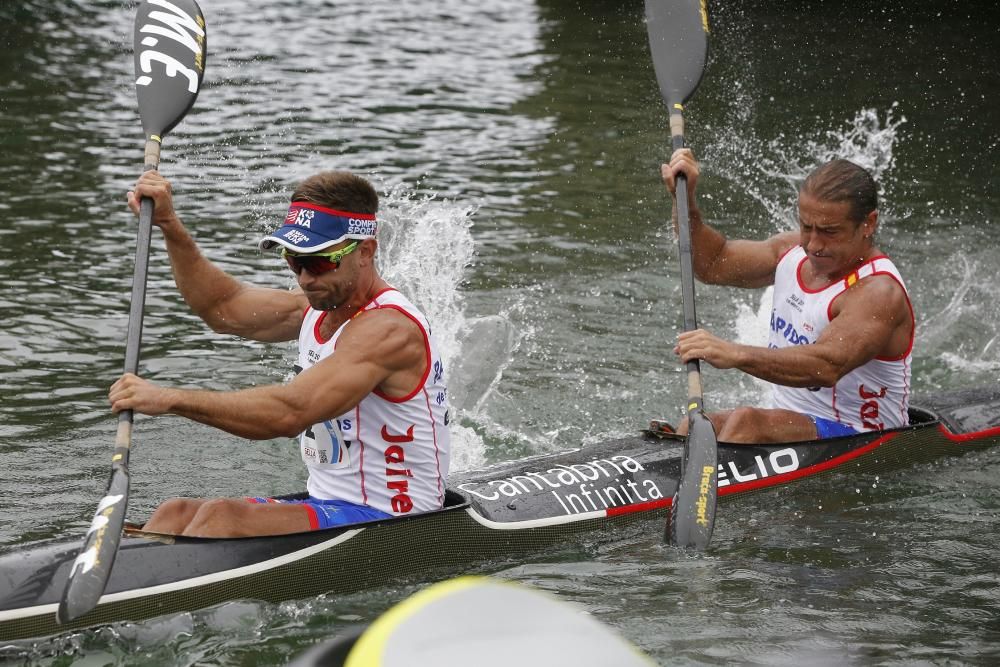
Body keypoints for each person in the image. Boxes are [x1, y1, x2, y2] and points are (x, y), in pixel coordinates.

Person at [109, 170, 450, 537]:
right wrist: (169, 225)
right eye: (294, 260)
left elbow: (290, 413)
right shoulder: (315, 306)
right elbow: (223, 307)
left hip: (398, 519)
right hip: (331, 502)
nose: (304, 279)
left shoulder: (389, 331)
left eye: (319, 262)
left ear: (365, 251)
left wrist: (169, 399)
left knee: (221, 518)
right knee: (174, 513)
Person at [660, 148, 914, 444]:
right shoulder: (791, 251)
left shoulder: (878, 291)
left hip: (862, 435)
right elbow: (712, 264)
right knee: (692, 426)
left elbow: (827, 365)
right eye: (807, 227)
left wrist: (735, 353)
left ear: (868, 223)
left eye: (830, 231)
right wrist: (685, 198)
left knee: (747, 423)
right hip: (793, 421)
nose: (814, 244)